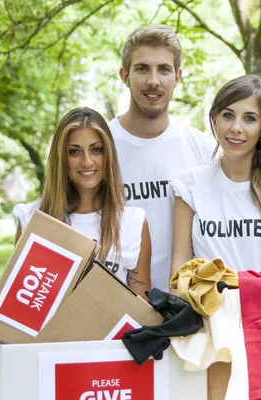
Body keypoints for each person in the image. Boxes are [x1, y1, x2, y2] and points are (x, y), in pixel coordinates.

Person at [170, 74, 261, 277]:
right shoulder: (189, 185)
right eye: (227, 115)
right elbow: (180, 269)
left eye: (249, 118)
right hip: (207, 308)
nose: (236, 128)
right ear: (214, 120)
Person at [108, 25, 214, 292]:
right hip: (114, 304)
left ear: (177, 77)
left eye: (164, 70)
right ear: (124, 76)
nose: (153, 81)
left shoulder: (202, 148)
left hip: (185, 306)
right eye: (142, 68)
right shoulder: (100, 145)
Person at [13, 107, 151, 300]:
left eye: (96, 150)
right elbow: (20, 304)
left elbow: (141, 311)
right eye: (74, 151)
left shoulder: (133, 222)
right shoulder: (31, 219)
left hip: (113, 330)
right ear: (60, 158)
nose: (87, 162)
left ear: (108, 154)